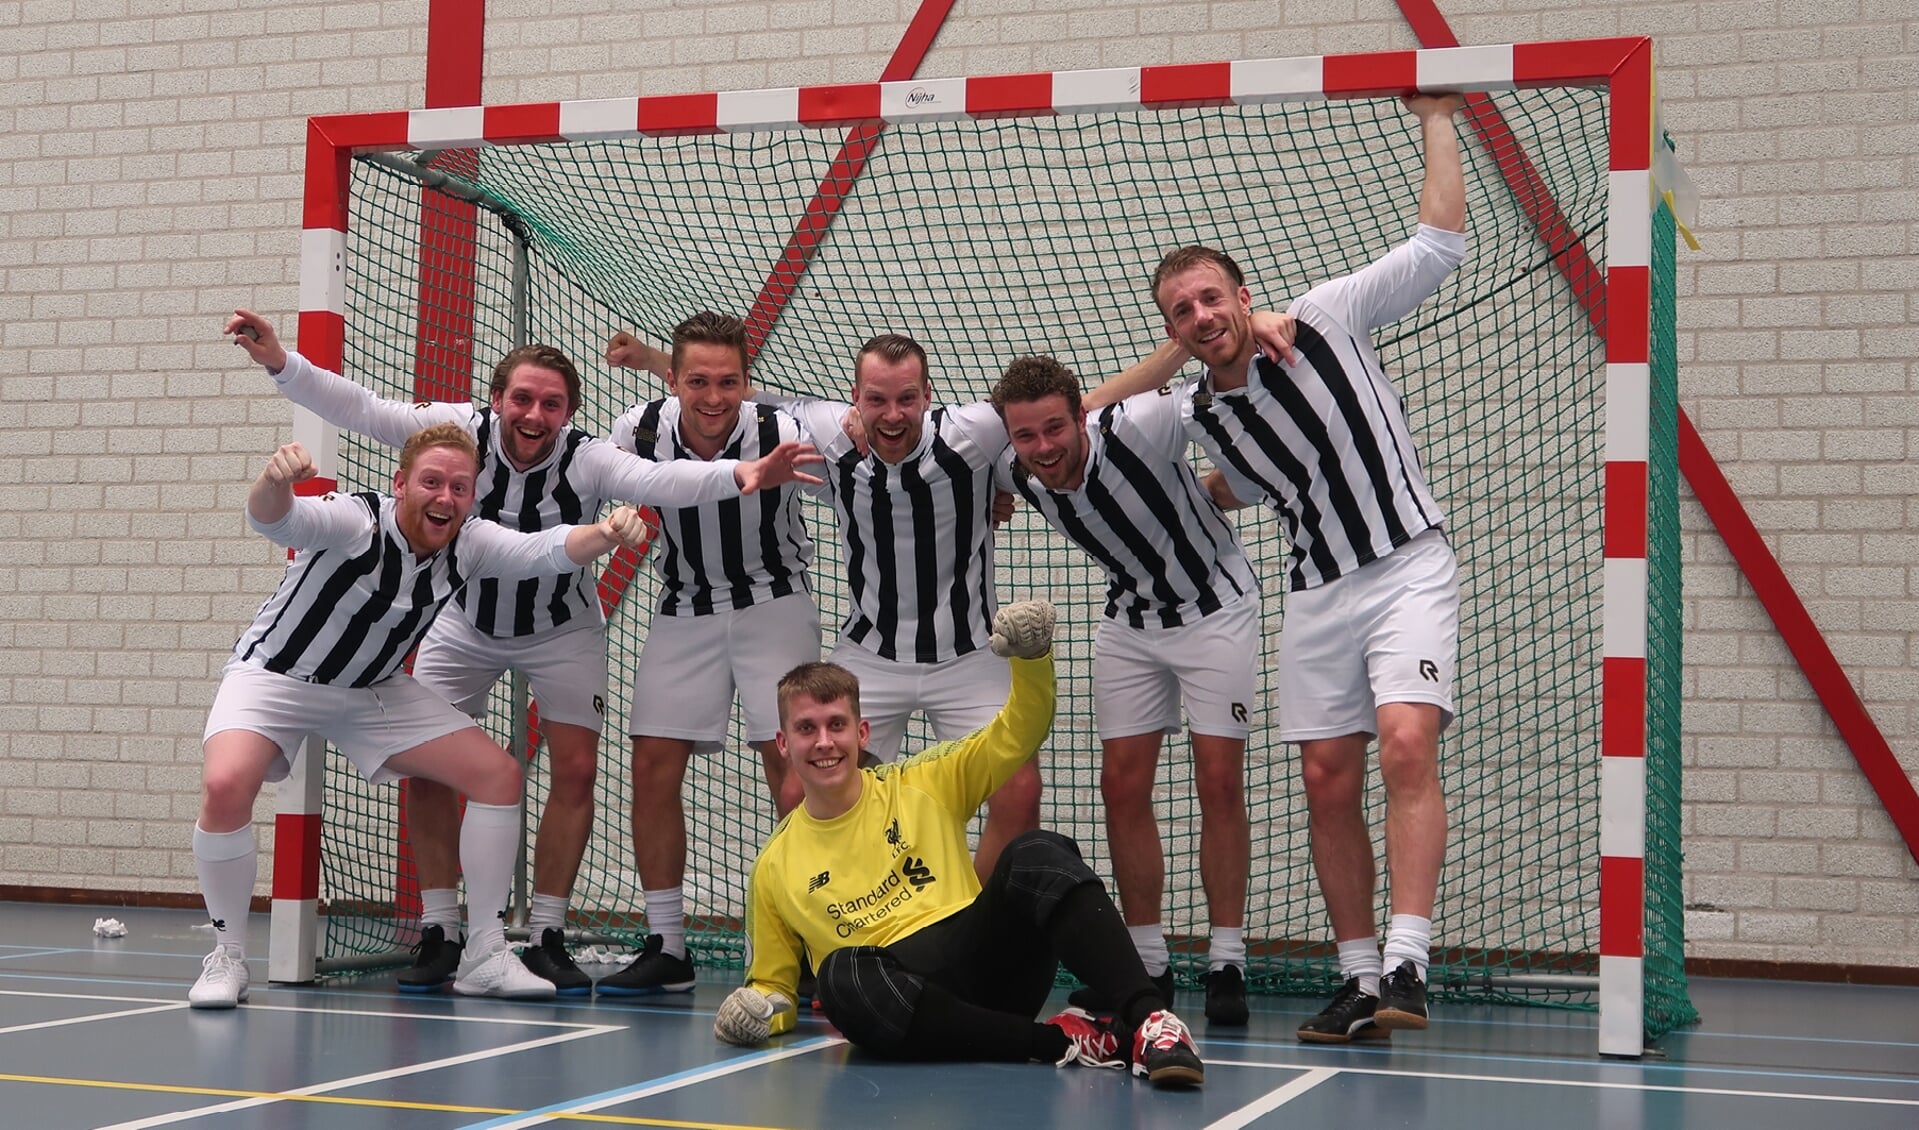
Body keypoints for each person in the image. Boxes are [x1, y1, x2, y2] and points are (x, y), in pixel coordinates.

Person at [225, 311, 822, 996]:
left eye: (551, 403)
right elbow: (361, 407)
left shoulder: (590, 457)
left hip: (562, 627)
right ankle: (444, 930)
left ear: (568, 412)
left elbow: (664, 484)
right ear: (497, 399)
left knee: (575, 770)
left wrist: (743, 473)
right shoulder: (457, 435)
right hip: (464, 623)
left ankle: (544, 933)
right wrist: (279, 362)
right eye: (522, 399)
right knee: (432, 769)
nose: (535, 414)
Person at [1098, 94, 1469, 1042]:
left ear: (1243, 292)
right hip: (1315, 594)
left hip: (1404, 566)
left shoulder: (1327, 319)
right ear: (1171, 328)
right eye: (1181, 311)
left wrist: (1434, 117)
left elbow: (1435, 244)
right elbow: (1095, 415)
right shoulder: (1197, 411)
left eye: (1212, 298)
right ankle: (1356, 981)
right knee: (1323, 779)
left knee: (1403, 746)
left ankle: (1406, 960)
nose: (1200, 316)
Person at [610, 330, 1186, 883]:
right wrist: (653, 359)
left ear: (928, 397)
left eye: (907, 399)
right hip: (871, 656)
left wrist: (1182, 349)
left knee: (1019, 791)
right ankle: (835, 935)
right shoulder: (828, 434)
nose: (891, 414)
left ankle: (967, 930)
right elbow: (735, 396)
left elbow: (1082, 405)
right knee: (797, 792)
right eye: (877, 399)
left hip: (970, 656)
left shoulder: (975, 431)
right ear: (855, 400)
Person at [189, 427, 657, 1008]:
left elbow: (547, 549)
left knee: (498, 776)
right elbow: (276, 520)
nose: (445, 497)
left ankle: (485, 953)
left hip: (373, 690)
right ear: (401, 484)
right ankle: (227, 957)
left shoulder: (473, 541)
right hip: (275, 678)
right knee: (225, 784)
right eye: (432, 483)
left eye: (460, 487)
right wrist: (273, 482)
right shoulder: (355, 520)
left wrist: (607, 531)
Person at [711, 600, 1206, 1089]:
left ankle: (1151, 1022)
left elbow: (1015, 734)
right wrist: (755, 1012)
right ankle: (1063, 1044)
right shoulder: (773, 868)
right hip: (901, 1004)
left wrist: (1031, 662)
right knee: (841, 976)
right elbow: (772, 987)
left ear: (861, 733)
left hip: (984, 962)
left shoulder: (921, 782)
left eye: (836, 725)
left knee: (1035, 849)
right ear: (782, 744)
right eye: (806, 729)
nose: (824, 743)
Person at [989, 354, 1264, 1027]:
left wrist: (1234, 483)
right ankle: (1146, 962)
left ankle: (1226, 959)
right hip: (1130, 622)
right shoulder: (1009, 465)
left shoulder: (1144, 421)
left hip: (1215, 610)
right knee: (1120, 786)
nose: (1044, 447)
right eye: (1026, 437)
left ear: (1079, 416)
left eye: (1056, 427)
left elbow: (1242, 421)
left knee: (1218, 781)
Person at [583, 311, 823, 996]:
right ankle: (667, 944)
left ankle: (796, 942)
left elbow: (868, 468)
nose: (712, 398)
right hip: (682, 604)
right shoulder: (638, 429)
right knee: (653, 765)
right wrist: (609, 522)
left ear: (749, 383)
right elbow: (583, 481)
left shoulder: (784, 431)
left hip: (774, 604)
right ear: (674, 381)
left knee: (793, 768)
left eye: (727, 382)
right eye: (696, 382)